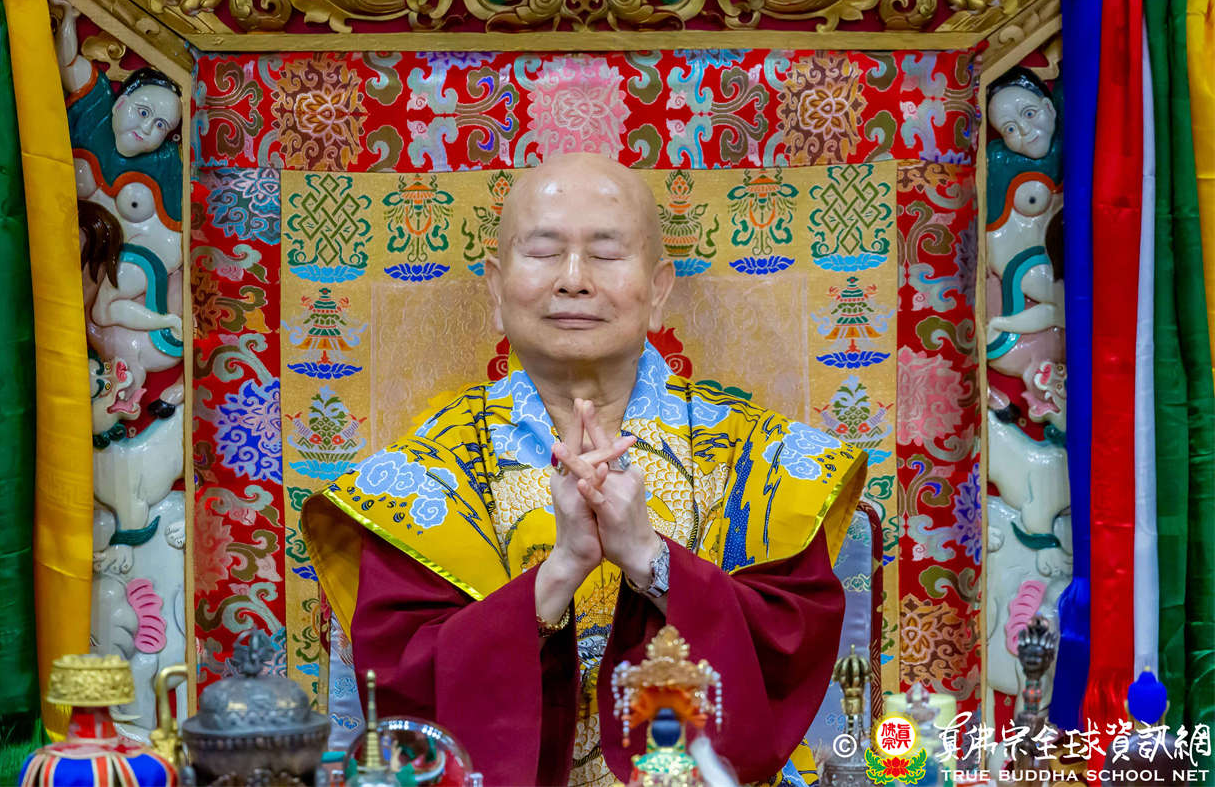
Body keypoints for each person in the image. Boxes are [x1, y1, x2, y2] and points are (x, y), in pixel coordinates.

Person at [303, 153, 867, 785]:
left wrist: (651, 560)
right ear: (496, 288)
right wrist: (559, 573)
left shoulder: (766, 460)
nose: (574, 280)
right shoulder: (421, 479)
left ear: (658, 290)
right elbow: (402, 691)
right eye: (544, 252)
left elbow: (791, 654)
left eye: (605, 253)